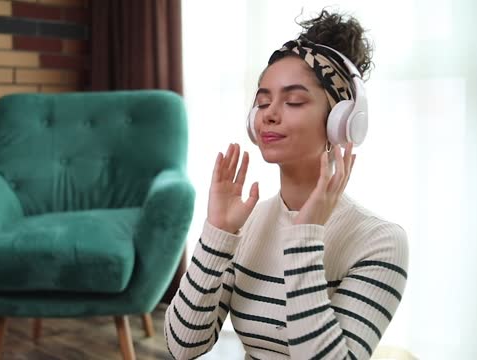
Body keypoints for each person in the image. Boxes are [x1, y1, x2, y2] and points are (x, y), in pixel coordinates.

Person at [164, 9, 409, 360]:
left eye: (293, 101)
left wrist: (305, 235)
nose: (269, 113)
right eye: (263, 101)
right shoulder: (245, 224)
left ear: (341, 122)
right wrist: (217, 233)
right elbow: (182, 346)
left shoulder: (380, 241)